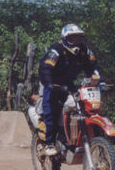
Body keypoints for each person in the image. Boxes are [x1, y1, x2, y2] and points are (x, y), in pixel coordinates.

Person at [38, 24, 100, 156]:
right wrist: (49, 84)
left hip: (68, 83)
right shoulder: (56, 49)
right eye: (72, 38)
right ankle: (49, 143)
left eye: (78, 38)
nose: (76, 41)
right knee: (51, 111)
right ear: (65, 38)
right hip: (52, 83)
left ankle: (76, 138)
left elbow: (92, 67)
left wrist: (100, 81)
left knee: (83, 108)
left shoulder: (84, 50)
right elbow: (45, 68)